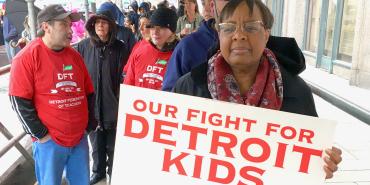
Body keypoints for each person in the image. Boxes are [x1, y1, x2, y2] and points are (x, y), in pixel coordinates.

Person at [172, 0, 342, 179]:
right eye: (228, 28)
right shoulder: (188, 88)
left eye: (251, 27)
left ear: (266, 34)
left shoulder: (297, 92)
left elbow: (308, 159)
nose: (239, 35)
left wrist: (322, 163)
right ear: (219, 34)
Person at [8, 4, 96, 185]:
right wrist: (41, 134)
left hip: (79, 138)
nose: (70, 30)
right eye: (64, 24)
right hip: (50, 142)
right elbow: (19, 101)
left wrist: (88, 124)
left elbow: (88, 92)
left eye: (70, 25)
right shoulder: (26, 57)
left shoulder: (75, 56)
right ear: (46, 26)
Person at [76, 10, 130, 185]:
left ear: (111, 26)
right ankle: (97, 172)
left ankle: (113, 172)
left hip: (113, 106)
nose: (100, 25)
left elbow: (126, 77)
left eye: (104, 22)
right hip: (91, 107)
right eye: (97, 22)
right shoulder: (83, 46)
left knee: (114, 145)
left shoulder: (120, 47)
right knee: (96, 145)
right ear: (92, 25)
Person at [123, 7, 179, 90]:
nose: (155, 32)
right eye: (152, 27)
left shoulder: (180, 56)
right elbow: (128, 84)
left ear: (172, 31)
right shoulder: (140, 50)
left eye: (161, 27)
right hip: (139, 102)